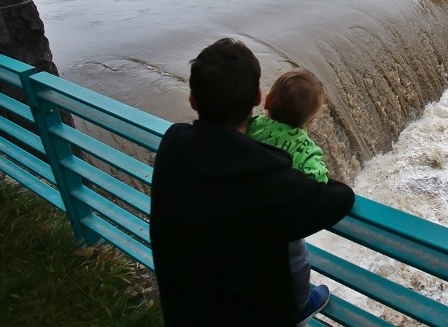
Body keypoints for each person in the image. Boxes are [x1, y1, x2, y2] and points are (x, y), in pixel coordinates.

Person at [149, 38, 355, 326]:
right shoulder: (268, 179)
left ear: (193, 100)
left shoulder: (174, 143)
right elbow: (340, 197)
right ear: (258, 97)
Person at [247, 68, 330, 323]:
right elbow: (320, 181)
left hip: (249, 217)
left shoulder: (252, 126)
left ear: (268, 101)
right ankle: (302, 304)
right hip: (282, 223)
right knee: (297, 261)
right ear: (309, 121)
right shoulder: (305, 147)